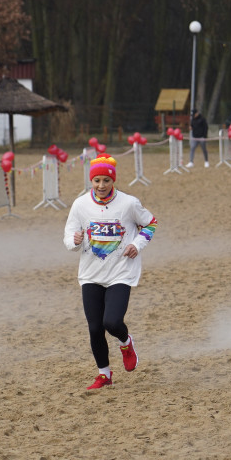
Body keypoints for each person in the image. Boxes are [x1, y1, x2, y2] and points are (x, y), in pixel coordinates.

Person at [64, 154, 157, 391]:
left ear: (113, 180)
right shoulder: (80, 204)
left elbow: (151, 223)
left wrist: (137, 244)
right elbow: (68, 236)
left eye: (106, 180)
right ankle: (104, 375)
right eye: (97, 181)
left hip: (120, 272)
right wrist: (74, 240)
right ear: (91, 181)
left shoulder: (128, 203)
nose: (101, 185)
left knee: (112, 322)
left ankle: (126, 343)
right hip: (91, 274)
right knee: (95, 328)